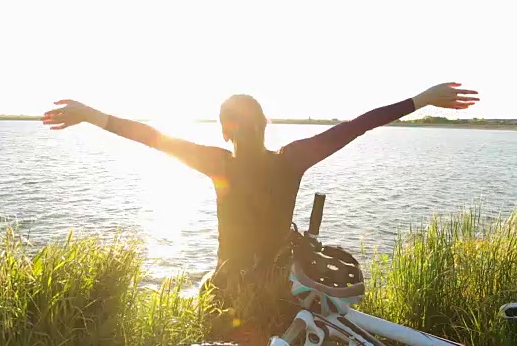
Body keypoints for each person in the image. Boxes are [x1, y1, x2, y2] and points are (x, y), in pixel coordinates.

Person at [41, 82, 478, 307]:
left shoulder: (218, 163)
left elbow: (150, 137)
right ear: (265, 124)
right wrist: (421, 100)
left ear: (224, 130)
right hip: (280, 287)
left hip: (229, 289)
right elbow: (357, 125)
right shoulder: (291, 160)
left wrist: (91, 115)